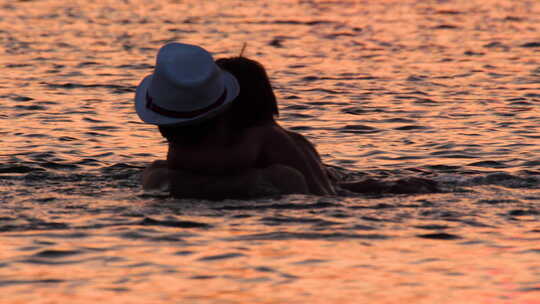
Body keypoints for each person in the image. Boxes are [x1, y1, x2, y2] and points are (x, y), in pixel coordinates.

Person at [135, 43, 334, 199]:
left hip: (310, 202)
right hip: (326, 195)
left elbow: (202, 164)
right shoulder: (295, 140)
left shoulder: (258, 136)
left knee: (157, 172)